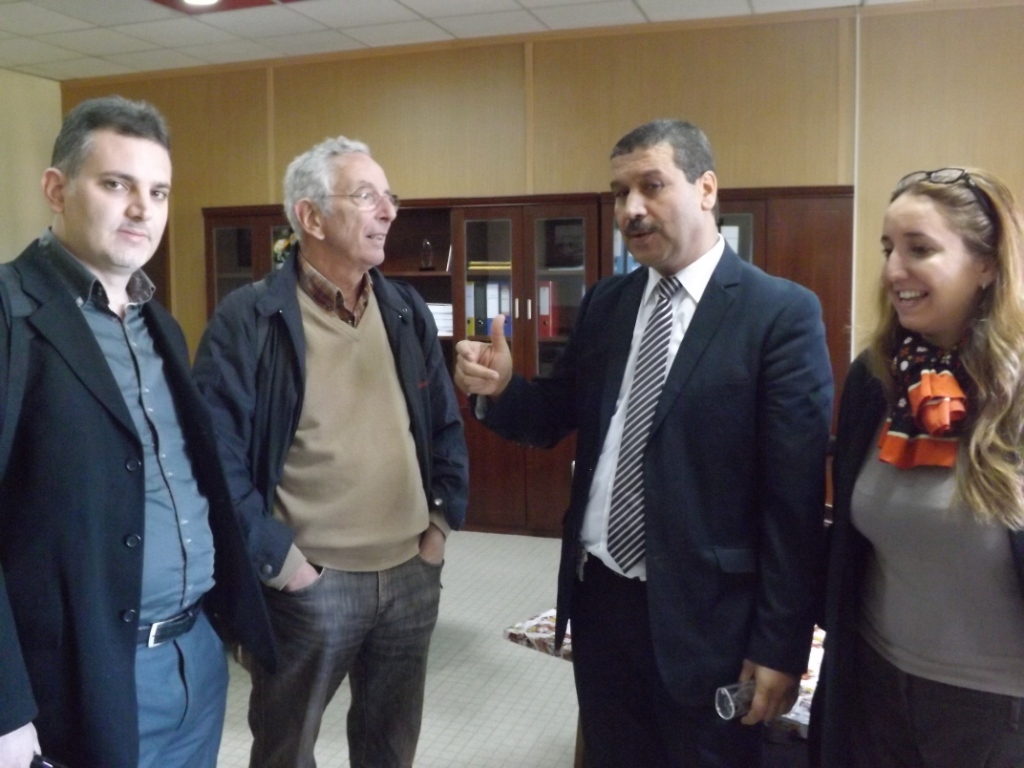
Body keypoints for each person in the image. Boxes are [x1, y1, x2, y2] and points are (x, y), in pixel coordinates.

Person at [454, 118, 833, 767]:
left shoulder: (778, 314)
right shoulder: (608, 302)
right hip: (601, 601)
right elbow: (554, 414)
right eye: (619, 192)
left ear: (706, 189)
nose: (630, 209)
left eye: (651, 186)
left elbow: (793, 502)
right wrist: (504, 389)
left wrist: (780, 645)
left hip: (711, 620)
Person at [0, 96, 276, 768]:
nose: (141, 209)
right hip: (83, 676)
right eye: (116, 184)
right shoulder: (10, 315)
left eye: (158, 192)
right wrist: (5, 712)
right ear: (56, 189)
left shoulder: (161, 325)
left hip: (194, 658)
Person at [192, 136, 468, 768]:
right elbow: (215, 460)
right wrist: (282, 563)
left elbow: (444, 427)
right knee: (287, 749)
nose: (389, 212)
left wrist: (439, 526)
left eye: (390, 197)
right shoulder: (248, 319)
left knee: (390, 747)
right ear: (311, 217)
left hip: (410, 571)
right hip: (309, 585)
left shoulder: (404, 309)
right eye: (366, 196)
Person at [813, 168, 1024, 768]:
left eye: (920, 249)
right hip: (873, 684)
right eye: (888, 249)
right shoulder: (877, 378)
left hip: (996, 710)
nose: (893, 271)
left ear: (987, 266)